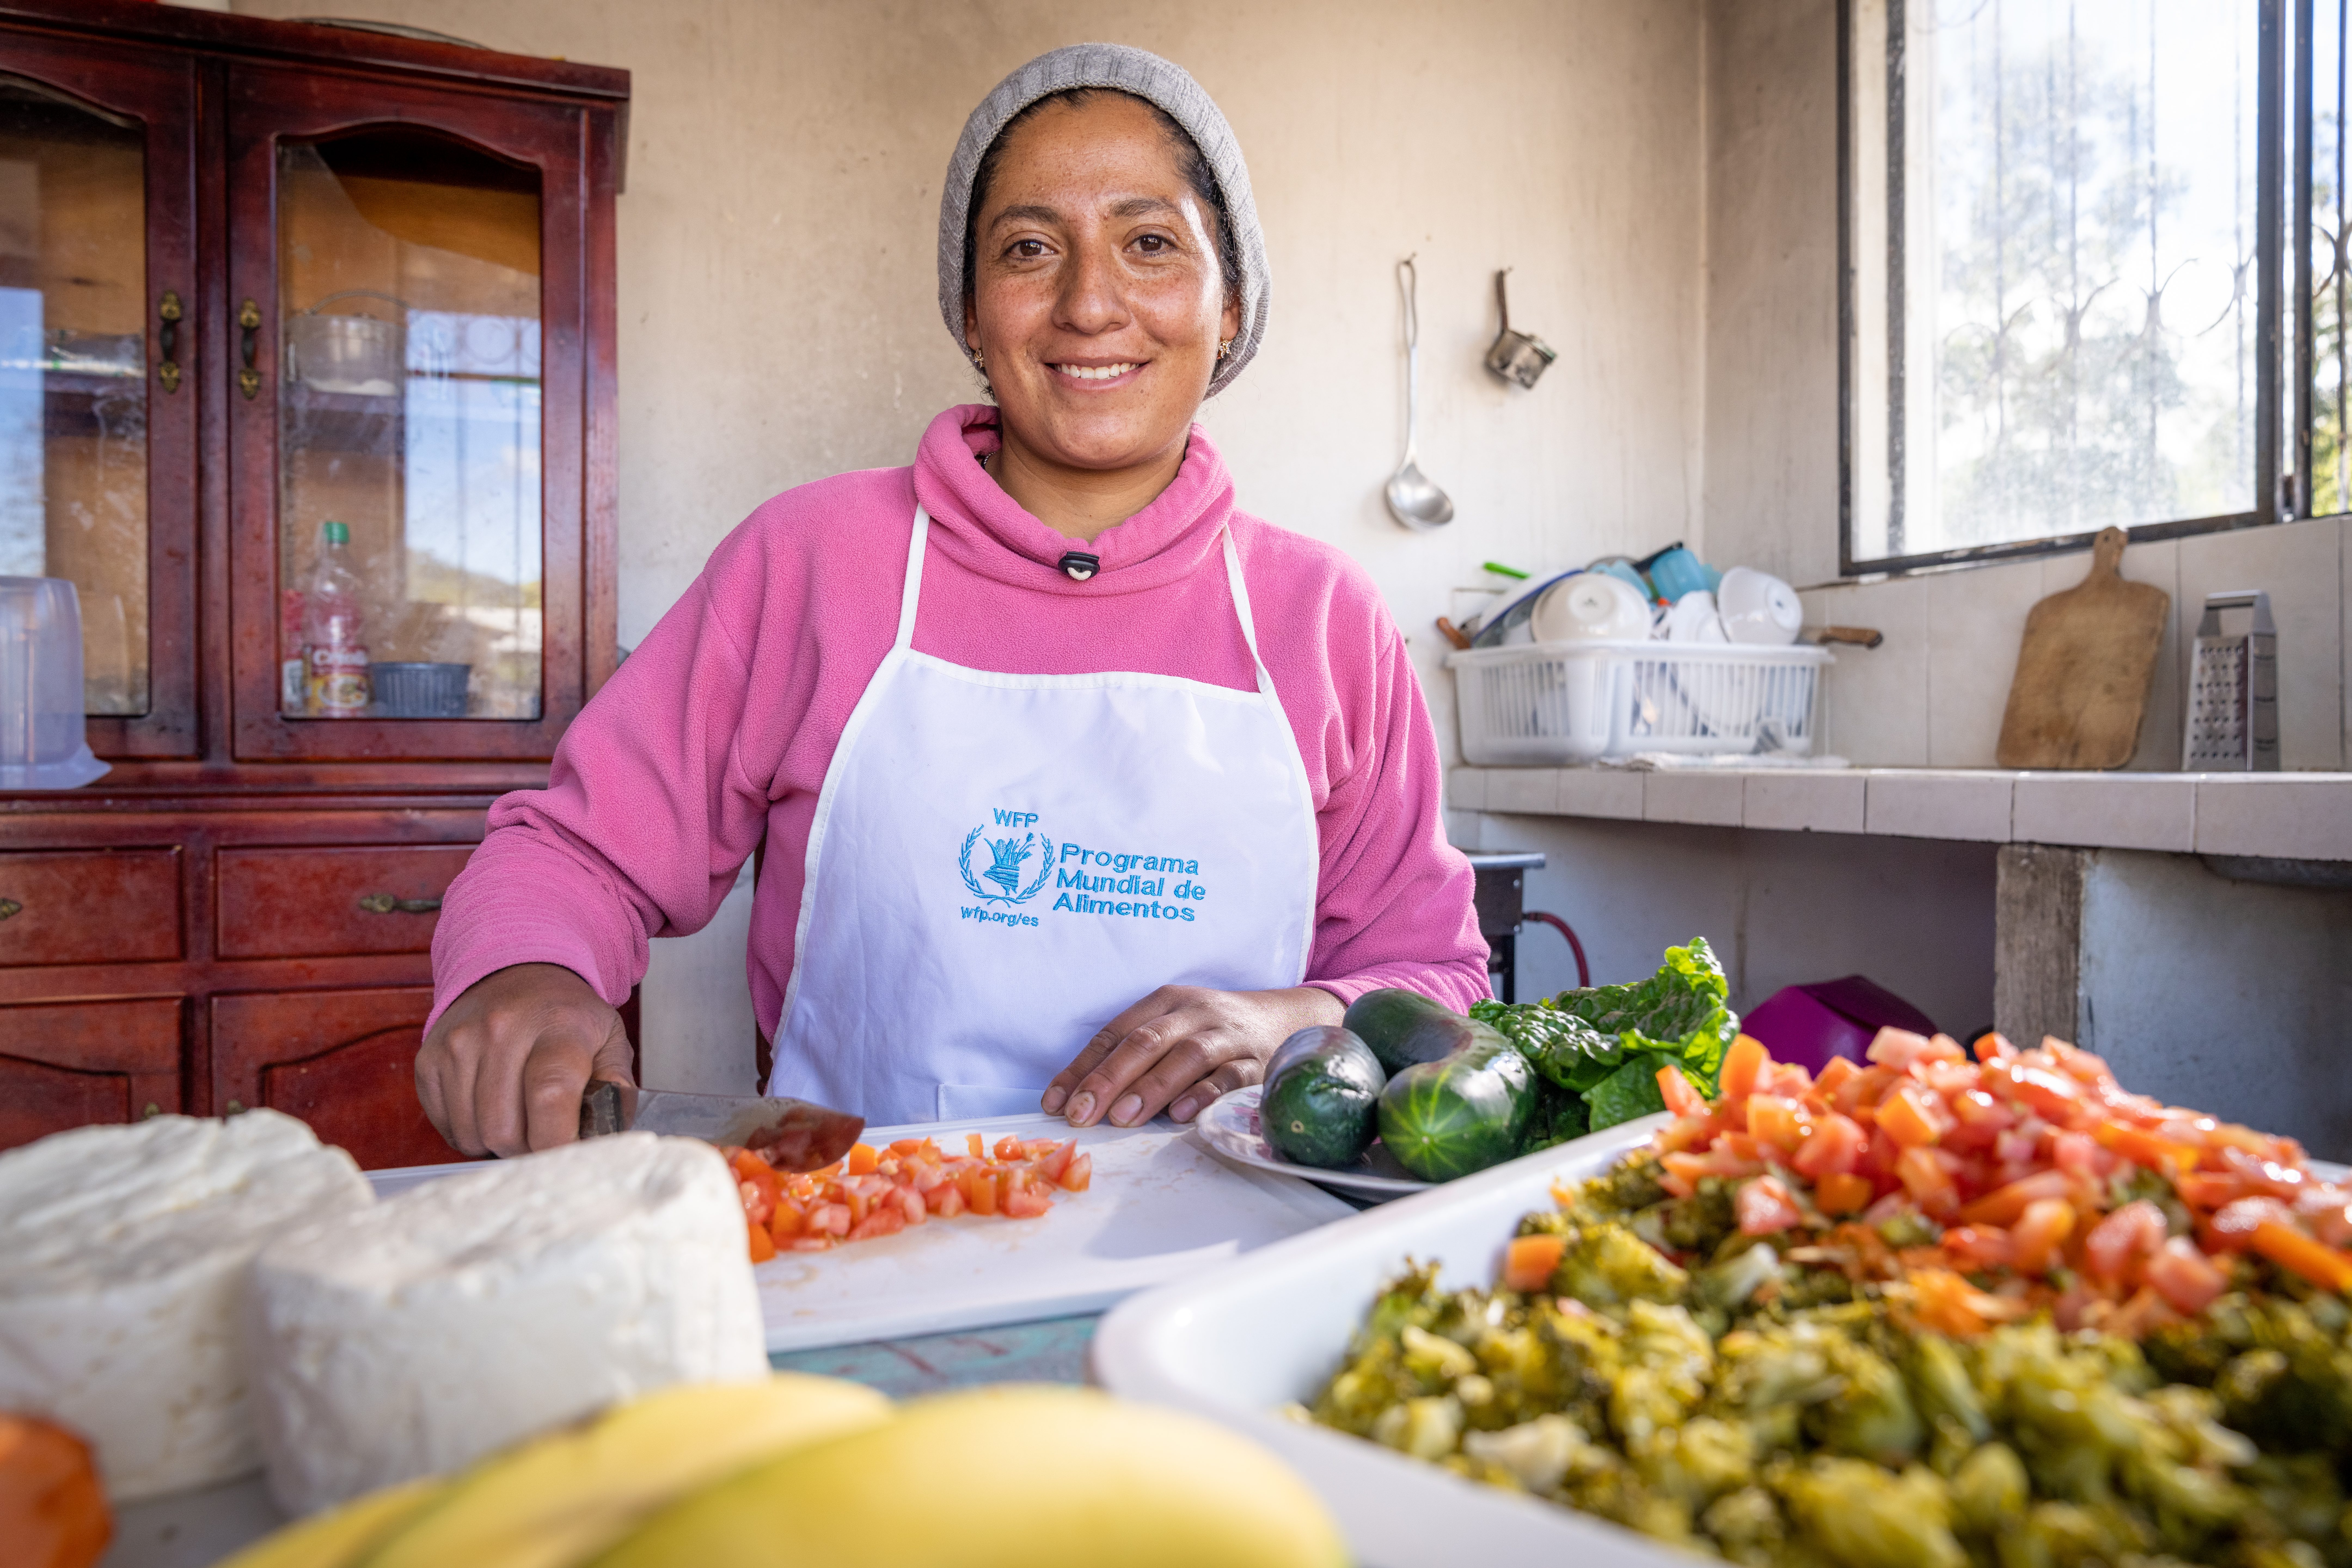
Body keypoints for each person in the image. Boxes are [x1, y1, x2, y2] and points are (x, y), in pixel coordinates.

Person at [417, 43, 1486, 1157]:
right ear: (973, 317)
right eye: (1030, 249)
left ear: (1230, 309)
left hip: (1228, 1271)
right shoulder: (817, 561)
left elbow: (1435, 970)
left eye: (1151, 243)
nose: (1088, 302)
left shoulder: (1323, 617)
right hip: (862, 1249)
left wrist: (1288, 1020)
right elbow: (578, 853)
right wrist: (526, 973)